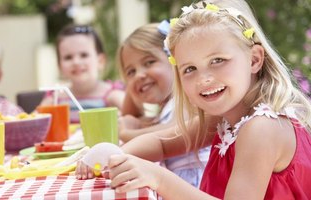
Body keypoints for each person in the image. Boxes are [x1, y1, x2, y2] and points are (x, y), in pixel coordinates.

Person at [104, 0, 311, 199]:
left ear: (254, 59)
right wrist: (113, 157)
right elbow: (162, 144)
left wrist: (158, 178)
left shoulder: (262, 128)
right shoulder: (225, 116)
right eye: (190, 69)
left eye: (218, 60)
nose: (204, 79)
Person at [77, 23, 210, 188]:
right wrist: (134, 87)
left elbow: (169, 133)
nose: (139, 74)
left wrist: (127, 133)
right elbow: (128, 116)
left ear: (175, 61)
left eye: (149, 62)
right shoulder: (167, 106)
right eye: (130, 72)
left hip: (196, 187)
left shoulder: (188, 100)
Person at [39, 24, 125, 123]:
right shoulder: (55, 99)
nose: (76, 62)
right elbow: (33, 121)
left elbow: (135, 117)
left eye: (84, 55)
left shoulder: (111, 95)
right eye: (68, 57)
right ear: (59, 66)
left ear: (100, 61)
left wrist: (122, 118)